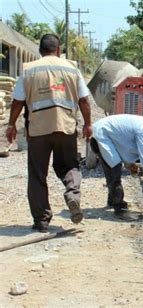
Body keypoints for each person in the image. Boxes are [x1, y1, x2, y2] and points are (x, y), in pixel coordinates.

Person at [6, 34, 92, 232]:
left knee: (37, 174)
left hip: (38, 130)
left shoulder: (29, 70)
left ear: (40, 50)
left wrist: (11, 125)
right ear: (58, 50)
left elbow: (18, 101)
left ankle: (42, 220)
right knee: (69, 165)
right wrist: (88, 124)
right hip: (66, 127)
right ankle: (72, 195)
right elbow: (84, 100)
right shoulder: (72, 68)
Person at [90, 114, 143, 216]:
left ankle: (112, 200)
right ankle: (119, 208)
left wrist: (130, 164)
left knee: (112, 170)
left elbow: (123, 143)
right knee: (115, 172)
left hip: (101, 133)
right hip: (101, 135)